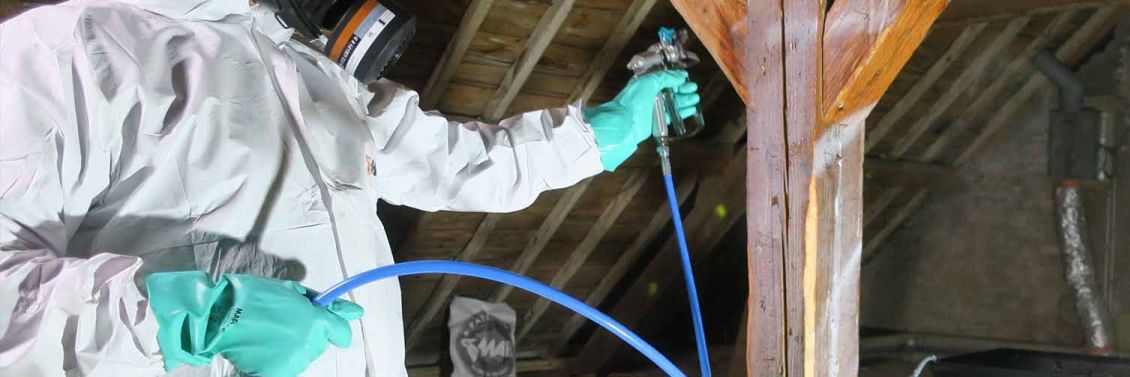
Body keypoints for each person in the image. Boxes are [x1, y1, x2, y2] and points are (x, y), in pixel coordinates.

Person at [0, 0, 700, 376]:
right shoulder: (67, 49)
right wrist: (177, 321)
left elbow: (458, 161)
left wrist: (604, 129)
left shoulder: (314, 71)